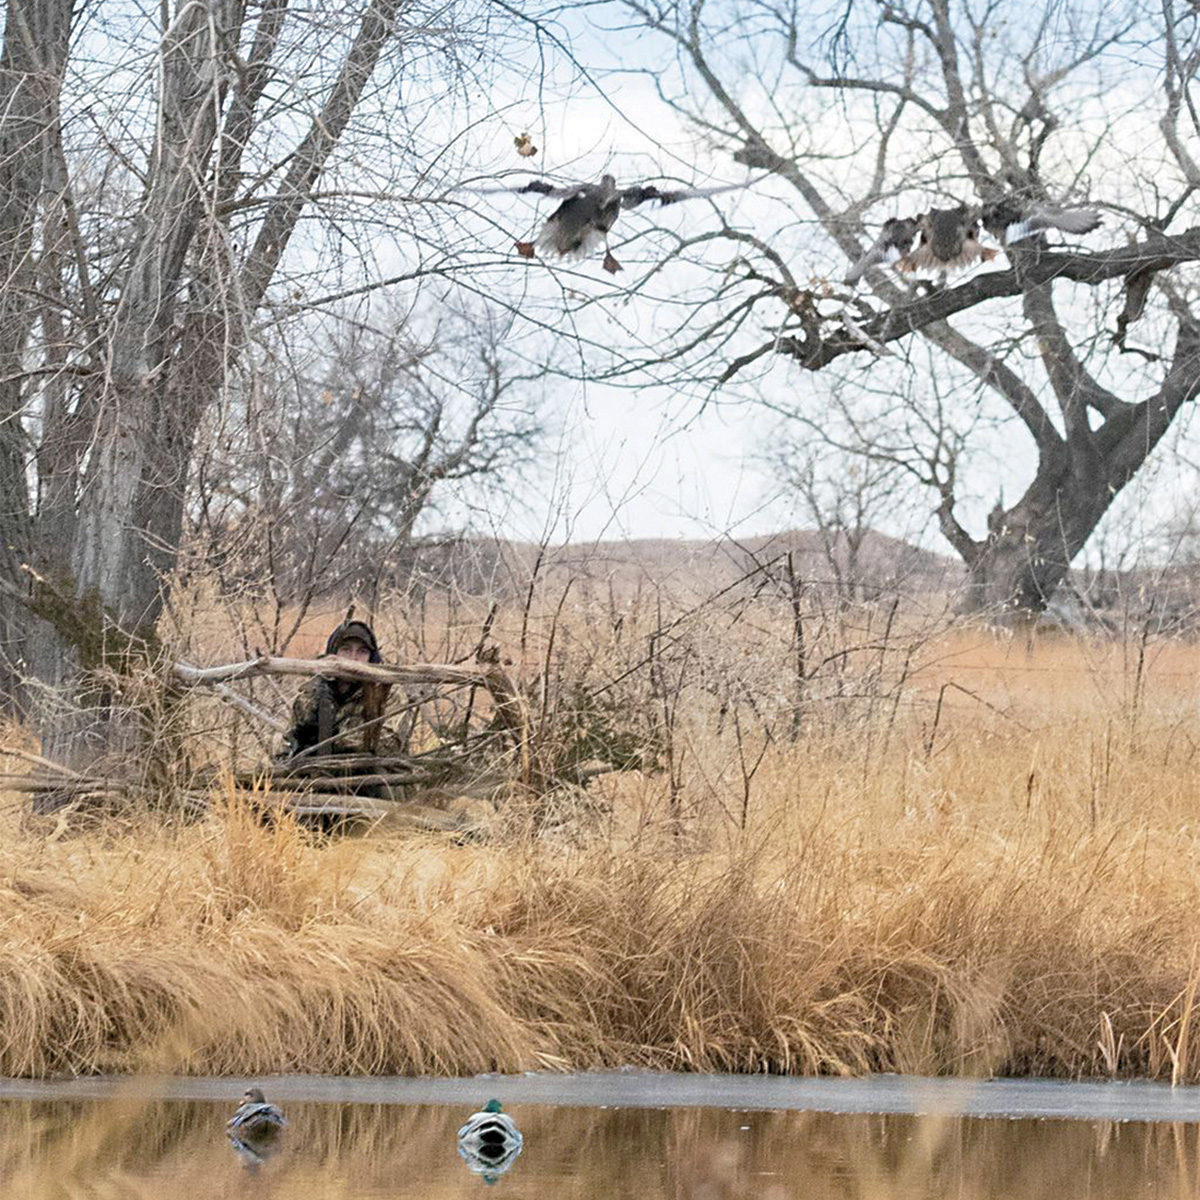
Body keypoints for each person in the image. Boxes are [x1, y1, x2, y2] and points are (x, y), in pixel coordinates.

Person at [280, 620, 390, 759]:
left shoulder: (384, 694)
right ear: (332, 654)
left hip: (368, 776)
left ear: (371, 658)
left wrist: (333, 741)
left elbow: (389, 742)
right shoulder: (310, 695)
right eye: (345, 649)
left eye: (362, 652)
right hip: (314, 776)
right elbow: (286, 745)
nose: (353, 659)